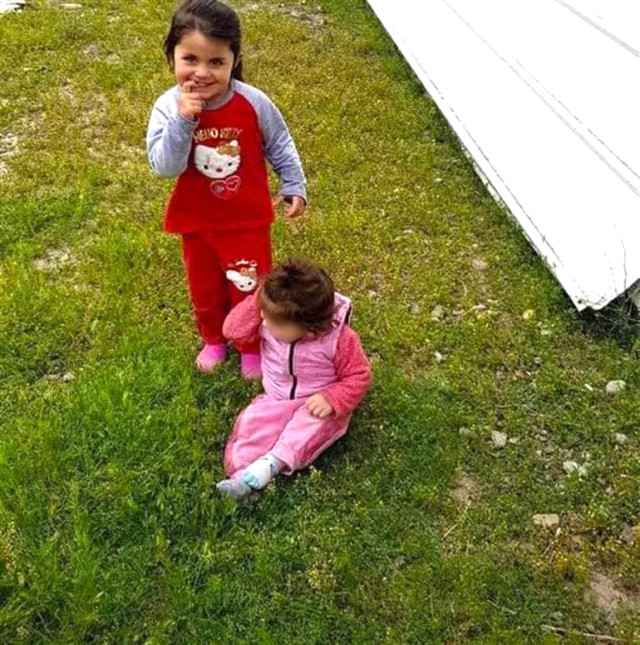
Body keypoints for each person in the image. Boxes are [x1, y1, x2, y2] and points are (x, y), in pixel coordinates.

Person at [146, 0, 307, 378]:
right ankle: (214, 339)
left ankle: (250, 345)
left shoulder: (253, 102)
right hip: (196, 222)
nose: (202, 72)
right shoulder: (168, 107)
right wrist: (184, 121)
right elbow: (164, 167)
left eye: (216, 62)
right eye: (190, 59)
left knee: (249, 287)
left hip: (246, 220)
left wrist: (293, 182)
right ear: (171, 56)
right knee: (205, 290)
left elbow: (279, 142)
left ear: (235, 60)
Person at [216, 259, 372, 500]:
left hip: (316, 404)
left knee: (306, 431)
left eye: (275, 323)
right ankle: (241, 479)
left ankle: (271, 464)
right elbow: (232, 331)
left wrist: (332, 399)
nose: (265, 322)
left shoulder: (339, 340)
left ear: (309, 328)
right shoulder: (270, 316)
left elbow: (359, 374)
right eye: (264, 315)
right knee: (251, 428)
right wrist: (263, 300)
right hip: (275, 399)